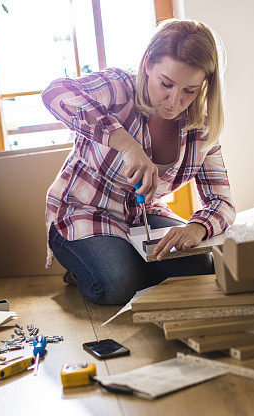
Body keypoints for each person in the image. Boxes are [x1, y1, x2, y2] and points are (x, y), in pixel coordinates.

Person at [42, 18, 236, 306]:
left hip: (143, 216)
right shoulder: (119, 87)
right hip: (84, 211)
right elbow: (55, 93)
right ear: (148, 64)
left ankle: (126, 261)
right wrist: (126, 144)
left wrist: (197, 228)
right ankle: (89, 264)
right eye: (166, 84)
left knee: (200, 268)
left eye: (190, 91)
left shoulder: (201, 128)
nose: (174, 101)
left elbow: (223, 203)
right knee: (116, 283)